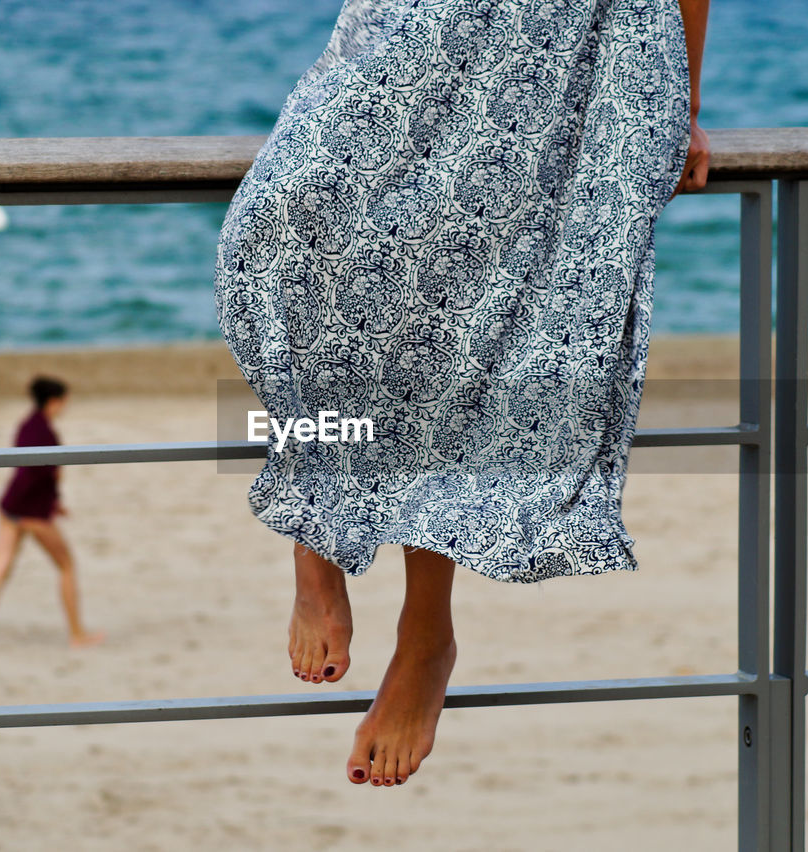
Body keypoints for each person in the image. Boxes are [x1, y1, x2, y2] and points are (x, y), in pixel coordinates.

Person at [215, 0, 710, 787]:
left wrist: (682, 102)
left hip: (580, 46)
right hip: (422, 21)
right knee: (281, 225)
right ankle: (315, 535)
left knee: (475, 308)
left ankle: (425, 633)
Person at [0, 376, 105, 650]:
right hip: (31, 512)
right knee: (66, 565)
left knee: (0, 569)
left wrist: (53, 502)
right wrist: (49, 503)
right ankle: (76, 634)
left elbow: (29, 472)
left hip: (10, 507)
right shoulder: (44, 432)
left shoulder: (27, 424)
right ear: (54, 402)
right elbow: (43, 474)